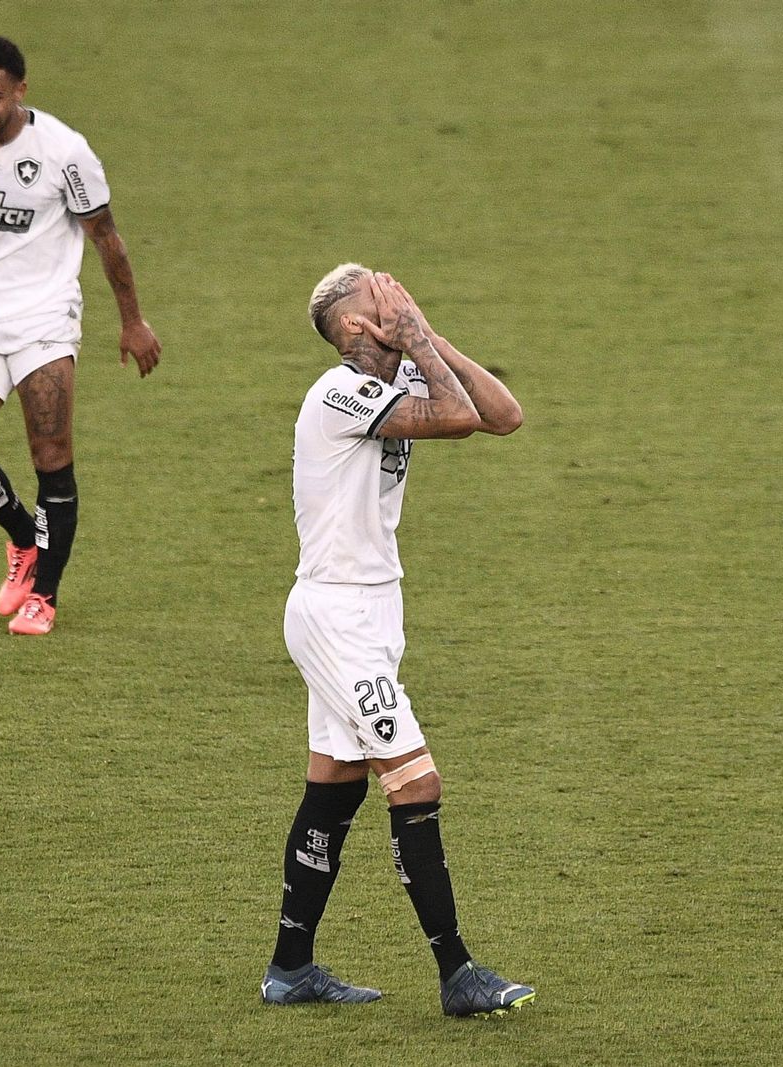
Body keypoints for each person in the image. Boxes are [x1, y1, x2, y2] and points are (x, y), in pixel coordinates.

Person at [261, 265, 535, 1017]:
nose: (400, 306)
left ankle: (290, 967)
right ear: (357, 330)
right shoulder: (337, 392)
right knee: (415, 784)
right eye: (386, 305)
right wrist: (416, 337)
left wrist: (425, 335)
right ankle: (458, 974)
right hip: (336, 615)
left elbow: (503, 415)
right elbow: (456, 418)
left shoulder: (399, 367)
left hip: (374, 614)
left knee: (335, 784)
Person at [0, 35, 161, 635]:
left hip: (44, 321)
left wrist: (132, 321)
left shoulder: (65, 152)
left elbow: (107, 237)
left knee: (50, 456)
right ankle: (25, 540)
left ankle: (45, 595)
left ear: (21, 91)